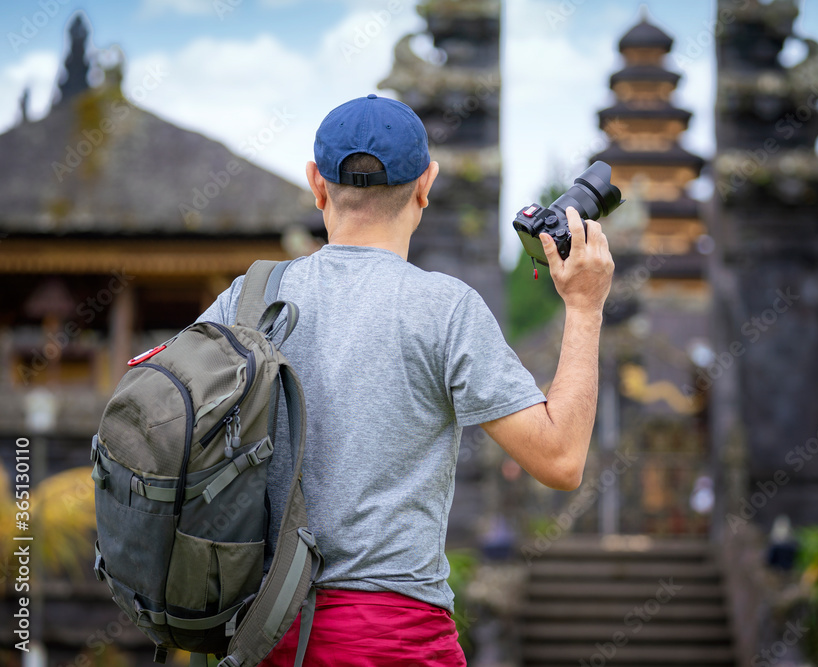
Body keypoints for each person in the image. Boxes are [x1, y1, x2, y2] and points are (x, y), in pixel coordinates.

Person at [196, 94, 614, 665]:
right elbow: (561, 460)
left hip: (259, 637)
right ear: (426, 185)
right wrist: (585, 308)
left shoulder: (244, 300)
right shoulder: (443, 309)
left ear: (317, 185)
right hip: (394, 639)